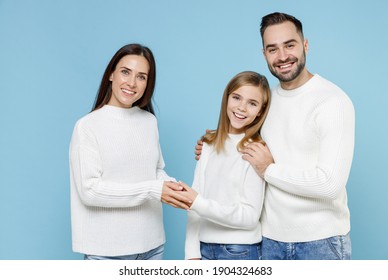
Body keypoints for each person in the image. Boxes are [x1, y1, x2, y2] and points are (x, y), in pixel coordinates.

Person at [195, 12, 355, 260]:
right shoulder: (265, 101)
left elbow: (329, 184)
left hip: (320, 243)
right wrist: (217, 142)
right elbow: (245, 138)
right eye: (272, 49)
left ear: (305, 45)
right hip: (269, 241)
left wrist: (269, 169)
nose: (282, 57)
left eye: (289, 45)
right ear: (264, 54)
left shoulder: (332, 101)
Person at [69, 43, 190, 260]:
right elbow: (90, 191)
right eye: (126, 72)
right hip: (107, 253)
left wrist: (175, 189)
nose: (132, 83)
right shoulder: (87, 126)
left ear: (147, 84)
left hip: (152, 247)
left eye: (141, 77)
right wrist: (153, 189)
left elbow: (155, 171)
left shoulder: (148, 121)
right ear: (111, 75)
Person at [181, 71, 271, 260]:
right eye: (236, 98)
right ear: (227, 98)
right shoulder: (207, 144)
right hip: (203, 249)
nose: (242, 108)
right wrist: (191, 254)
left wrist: (199, 203)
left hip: (240, 251)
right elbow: (194, 202)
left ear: (260, 111)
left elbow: (249, 217)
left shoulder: (255, 150)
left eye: (252, 103)